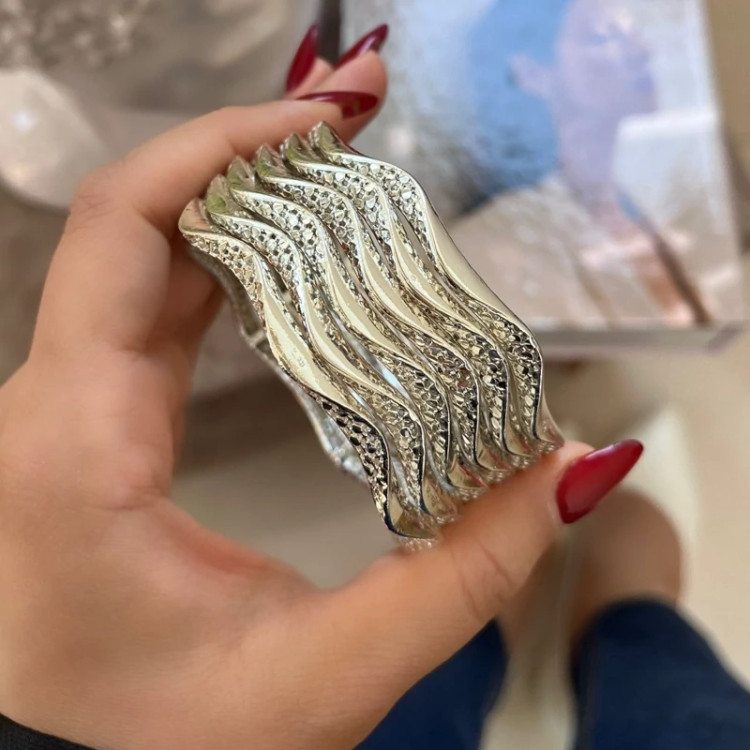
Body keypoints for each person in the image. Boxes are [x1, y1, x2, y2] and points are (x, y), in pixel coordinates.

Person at [0, 24, 747, 750]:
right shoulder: (520, 236)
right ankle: (624, 615)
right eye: (600, 40)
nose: (634, 50)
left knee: (451, 681)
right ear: (534, 75)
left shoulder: (654, 230)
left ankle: (526, 628)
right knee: (677, 699)